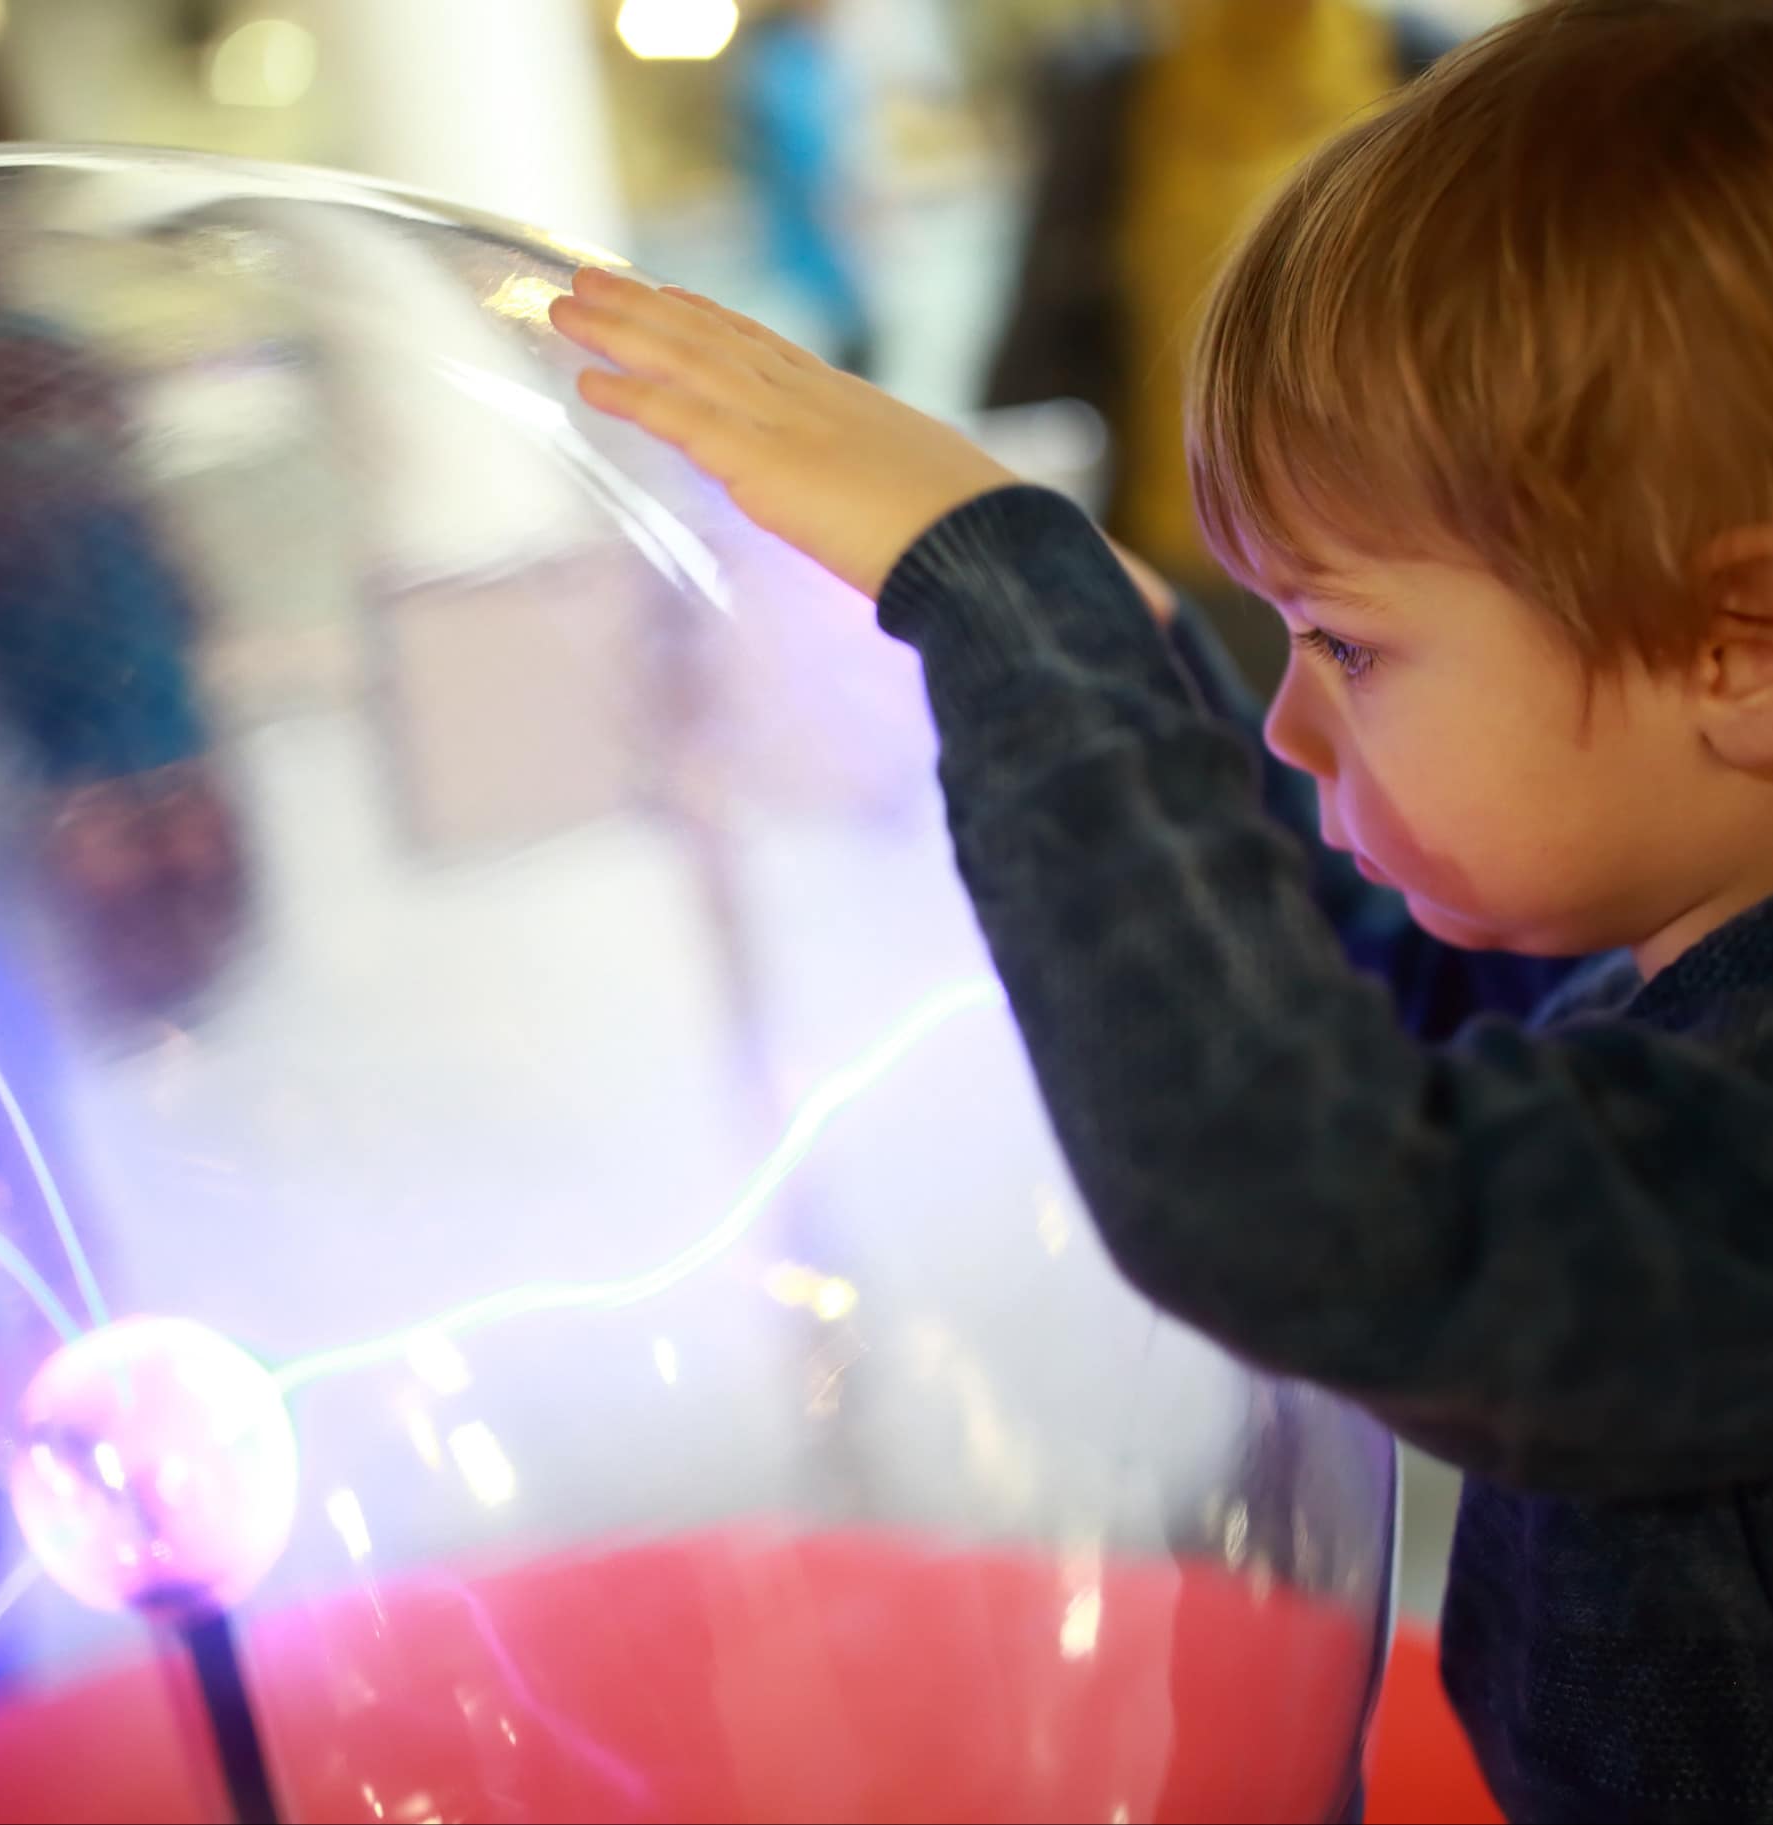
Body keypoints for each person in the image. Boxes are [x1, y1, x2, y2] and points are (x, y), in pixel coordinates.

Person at [552, 1, 1773, 1813]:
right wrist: (1140, 674)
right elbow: (1366, 1006)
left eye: (1347, 642)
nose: (1290, 714)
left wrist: (1010, 605)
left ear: (1736, 650)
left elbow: (1324, 1198)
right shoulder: (1659, 974)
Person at [983, 0, 1456, 692]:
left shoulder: (1425, 72)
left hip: (1381, 564)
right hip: (1171, 549)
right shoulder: (1114, 96)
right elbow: (1044, 319)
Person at [728, 0, 877, 378]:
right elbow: (805, 155)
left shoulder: (813, 56)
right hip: (808, 250)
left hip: (826, 253)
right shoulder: (782, 63)